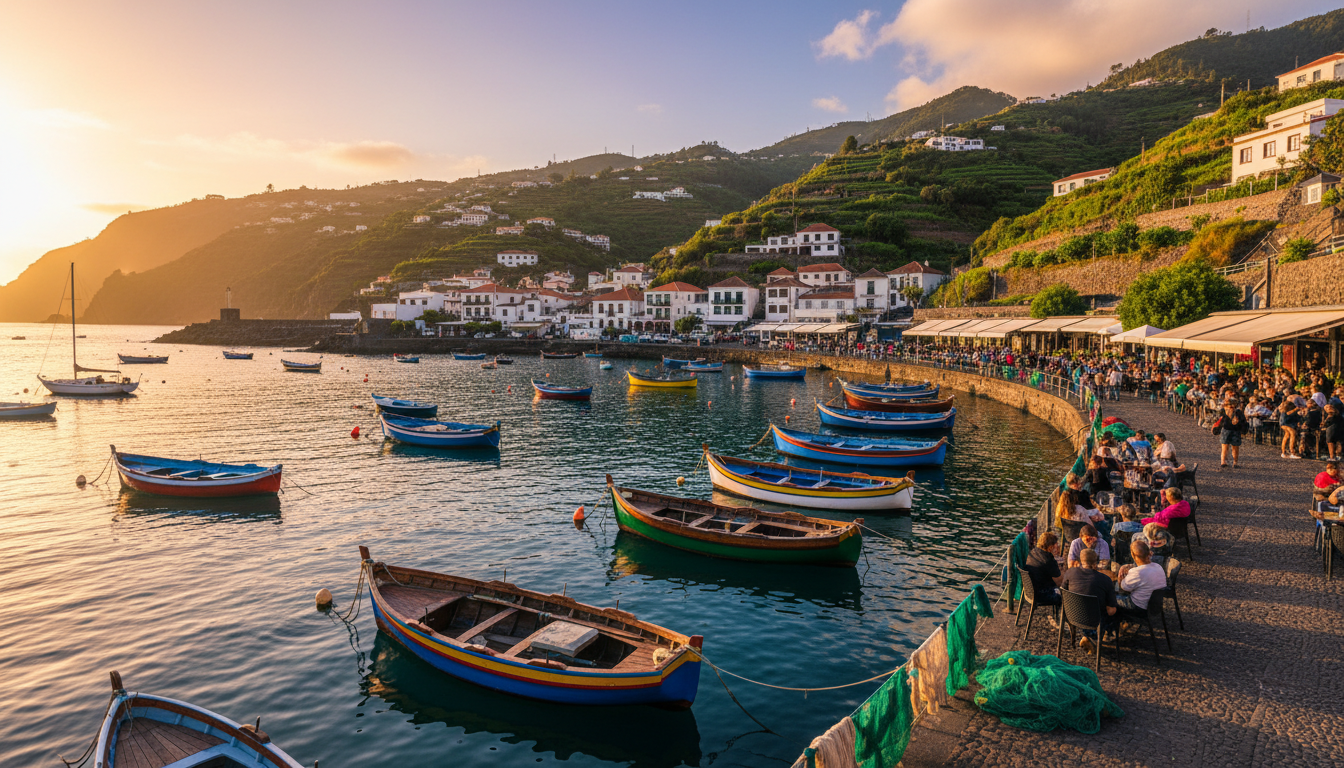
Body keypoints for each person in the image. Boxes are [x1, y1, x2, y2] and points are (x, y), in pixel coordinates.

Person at [1060, 548, 1118, 654]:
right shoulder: (1105, 580)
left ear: (1081, 561)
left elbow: (1063, 591)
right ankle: (1092, 637)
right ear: (1095, 562)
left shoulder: (1070, 572)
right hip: (1094, 620)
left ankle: (1087, 636)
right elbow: (1111, 611)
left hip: (1071, 615)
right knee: (1114, 613)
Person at [1116, 541, 1168, 610]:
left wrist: (1120, 577)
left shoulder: (1137, 572)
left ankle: (1115, 619)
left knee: (1110, 598)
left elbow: (1124, 587)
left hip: (1139, 606)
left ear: (1133, 555)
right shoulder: (1158, 566)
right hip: (1156, 606)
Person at [1023, 532, 1064, 614]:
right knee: (1067, 596)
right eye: (1056, 545)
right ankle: (1064, 621)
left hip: (1030, 591)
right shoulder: (1048, 560)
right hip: (1042, 594)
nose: (1058, 547)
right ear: (1050, 547)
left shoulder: (1033, 552)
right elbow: (1060, 583)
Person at [1215, 401, 1249, 468]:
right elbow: (1219, 420)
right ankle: (1223, 461)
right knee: (1225, 447)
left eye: (1232, 406)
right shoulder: (1223, 411)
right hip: (1226, 430)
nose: (1231, 407)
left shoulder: (1238, 412)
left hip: (1235, 431)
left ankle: (1235, 462)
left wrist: (1243, 429)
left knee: (1235, 447)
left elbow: (1243, 421)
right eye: (1229, 405)